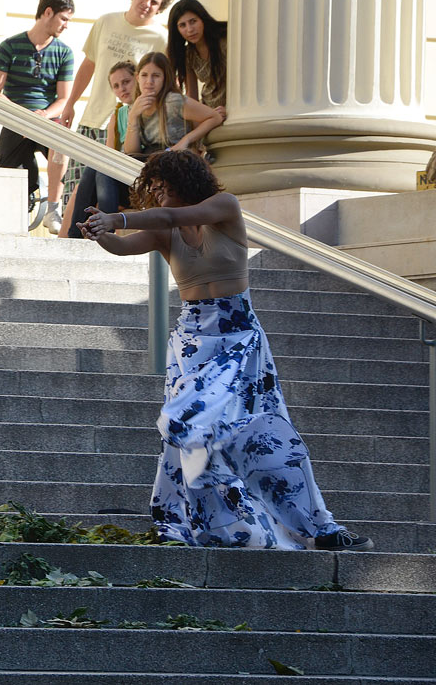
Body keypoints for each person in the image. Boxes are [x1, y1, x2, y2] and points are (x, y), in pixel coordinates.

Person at [77, 150, 373, 551]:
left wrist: (118, 217)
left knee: (262, 436)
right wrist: (101, 233)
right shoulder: (167, 232)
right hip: (193, 343)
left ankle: (318, 528)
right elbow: (124, 246)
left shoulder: (223, 207)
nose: (159, 196)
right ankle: (203, 523)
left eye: (164, 188)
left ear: (185, 183)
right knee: (188, 432)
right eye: (155, 189)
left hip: (239, 342)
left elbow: (168, 217)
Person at [61, 0, 175, 224]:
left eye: (154, 1)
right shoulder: (105, 21)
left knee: (102, 191)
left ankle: (100, 241)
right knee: (75, 187)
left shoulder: (161, 38)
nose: (146, 3)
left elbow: (163, 83)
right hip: (91, 120)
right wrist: (70, 105)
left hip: (124, 125)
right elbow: (88, 65)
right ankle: (69, 242)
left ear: (160, 8)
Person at [0, 0, 75, 232]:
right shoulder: (10, 46)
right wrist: (21, 117)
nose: (66, 25)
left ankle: (53, 209)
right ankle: (14, 214)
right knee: (9, 175)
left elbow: (64, 99)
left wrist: (43, 116)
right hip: (16, 119)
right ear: (48, 12)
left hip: (48, 120)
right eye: (64, 19)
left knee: (62, 144)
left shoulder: (64, 52)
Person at [63, 60, 137, 239]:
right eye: (116, 86)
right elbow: (109, 154)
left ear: (137, 79)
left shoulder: (146, 107)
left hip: (139, 179)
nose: (122, 89)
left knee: (100, 170)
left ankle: (100, 233)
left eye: (126, 82)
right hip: (120, 180)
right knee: (95, 168)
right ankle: (78, 236)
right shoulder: (118, 114)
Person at [124, 52, 223, 158]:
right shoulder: (136, 107)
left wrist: (186, 140)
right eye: (144, 75)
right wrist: (133, 117)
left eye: (156, 76)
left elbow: (215, 117)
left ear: (165, 79)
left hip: (178, 161)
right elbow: (131, 152)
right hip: (152, 162)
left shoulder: (173, 102)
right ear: (137, 78)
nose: (149, 81)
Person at [167, 0, 228, 115]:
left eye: (193, 21)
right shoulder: (188, 55)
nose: (190, 29)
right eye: (182, 25)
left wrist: (232, 109)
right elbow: (192, 95)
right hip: (209, 110)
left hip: (231, 109)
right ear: (177, 30)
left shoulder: (224, 41)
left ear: (202, 19)